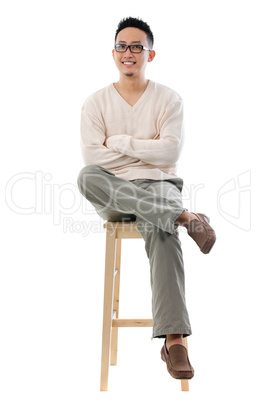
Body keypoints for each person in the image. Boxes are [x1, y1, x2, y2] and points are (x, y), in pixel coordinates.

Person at [77, 16, 216, 381]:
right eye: (123, 46)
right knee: (86, 176)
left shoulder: (168, 98)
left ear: (150, 54)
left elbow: (171, 151)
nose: (129, 53)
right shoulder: (96, 103)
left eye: (137, 46)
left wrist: (120, 144)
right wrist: (146, 154)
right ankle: (185, 216)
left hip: (158, 186)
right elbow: (94, 159)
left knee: (160, 228)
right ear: (113, 53)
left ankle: (175, 340)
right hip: (113, 190)